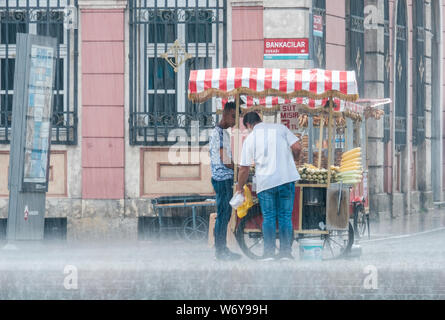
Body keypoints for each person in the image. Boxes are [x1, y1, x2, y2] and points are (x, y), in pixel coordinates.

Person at [236, 112, 301, 261]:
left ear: (248, 125)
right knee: (285, 217)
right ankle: (285, 253)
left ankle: (269, 254)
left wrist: (240, 187)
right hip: (286, 179)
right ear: (260, 119)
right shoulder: (280, 128)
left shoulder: (250, 138)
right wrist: (294, 161)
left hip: (266, 183)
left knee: (269, 218)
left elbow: (244, 168)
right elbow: (297, 147)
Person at [209, 101, 242, 261]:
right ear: (227, 112)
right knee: (223, 214)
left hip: (223, 178)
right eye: (234, 116)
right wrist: (237, 169)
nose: (235, 121)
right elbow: (224, 158)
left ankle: (221, 248)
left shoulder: (223, 133)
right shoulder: (220, 133)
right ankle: (220, 250)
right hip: (222, 179)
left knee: (225, 214)